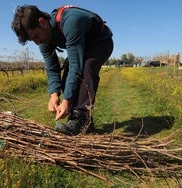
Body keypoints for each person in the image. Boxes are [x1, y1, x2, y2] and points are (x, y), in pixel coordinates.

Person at [11, 5, 113, 136]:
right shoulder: (43, 39)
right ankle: (86, 122)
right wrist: (54, 94)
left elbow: (76, 65)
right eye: (33, 40)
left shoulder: (71, 21)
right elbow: (52, 68)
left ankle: (79, 118)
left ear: (42, 22)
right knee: (67, 79)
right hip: (82, 45)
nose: (37, 42)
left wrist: (67, 101)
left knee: (87, 68)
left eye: (36, 36)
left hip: (100, 42)